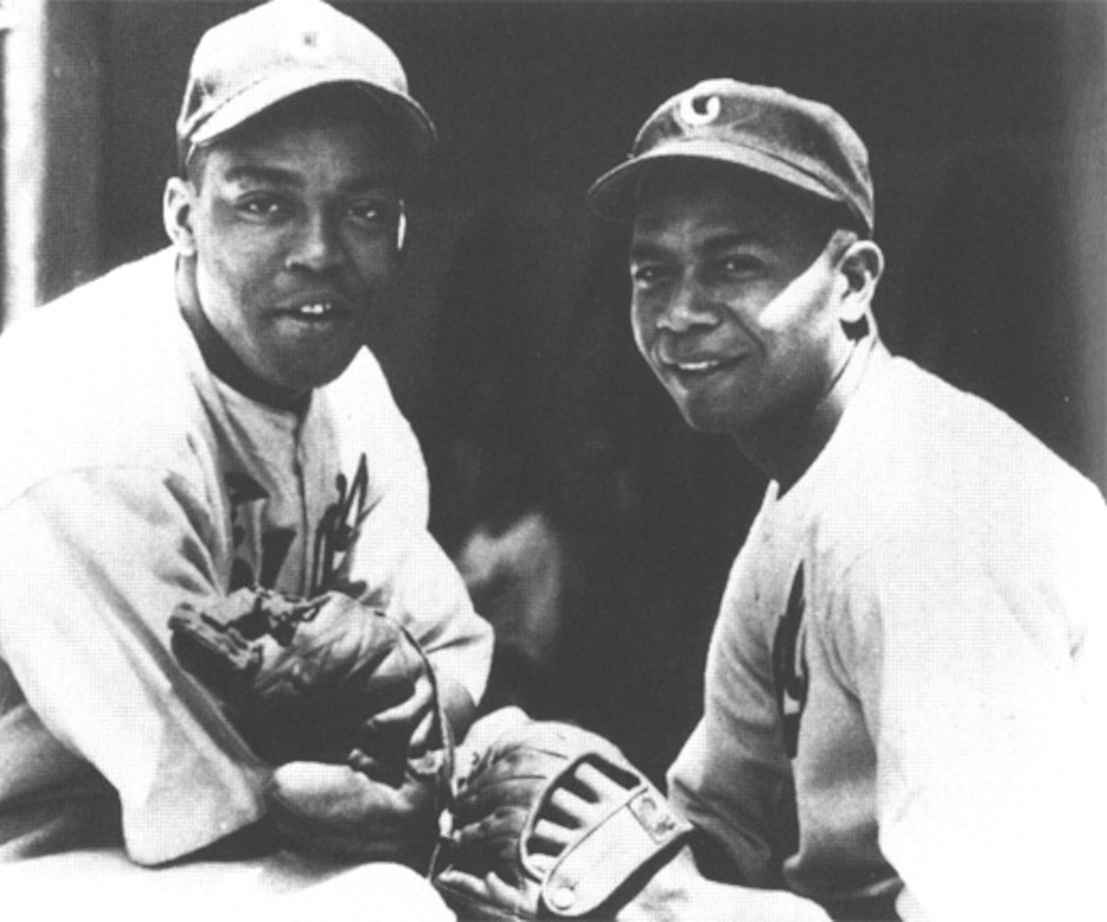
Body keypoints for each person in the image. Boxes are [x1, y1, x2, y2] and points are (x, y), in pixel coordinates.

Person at [0, 0, 489, 916]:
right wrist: (419, 804)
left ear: (402, 231)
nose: (320, 251)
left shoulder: (348, 391)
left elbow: (440, 660)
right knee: (383, 904)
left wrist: (430, 737)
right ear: (182, 215)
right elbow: (214, 807)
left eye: (363, 210)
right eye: (264, 203)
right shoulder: (85, 422)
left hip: (117, 830)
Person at [432, 78, 1104, 922]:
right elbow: (722, 819)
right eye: (653, 272)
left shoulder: (931, 522)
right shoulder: (812, 485)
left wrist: (665, 909)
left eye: (733, 264)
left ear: (854, 283)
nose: (680, 313)